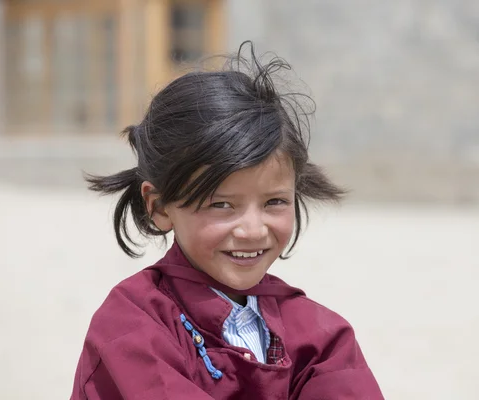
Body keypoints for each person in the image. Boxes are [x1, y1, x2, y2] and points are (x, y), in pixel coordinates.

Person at [70, 42, 384, 400]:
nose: (252, 230)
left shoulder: (320, 334)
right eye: (222, 205)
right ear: (159, 207)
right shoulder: (131, 324)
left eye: (275, 202)